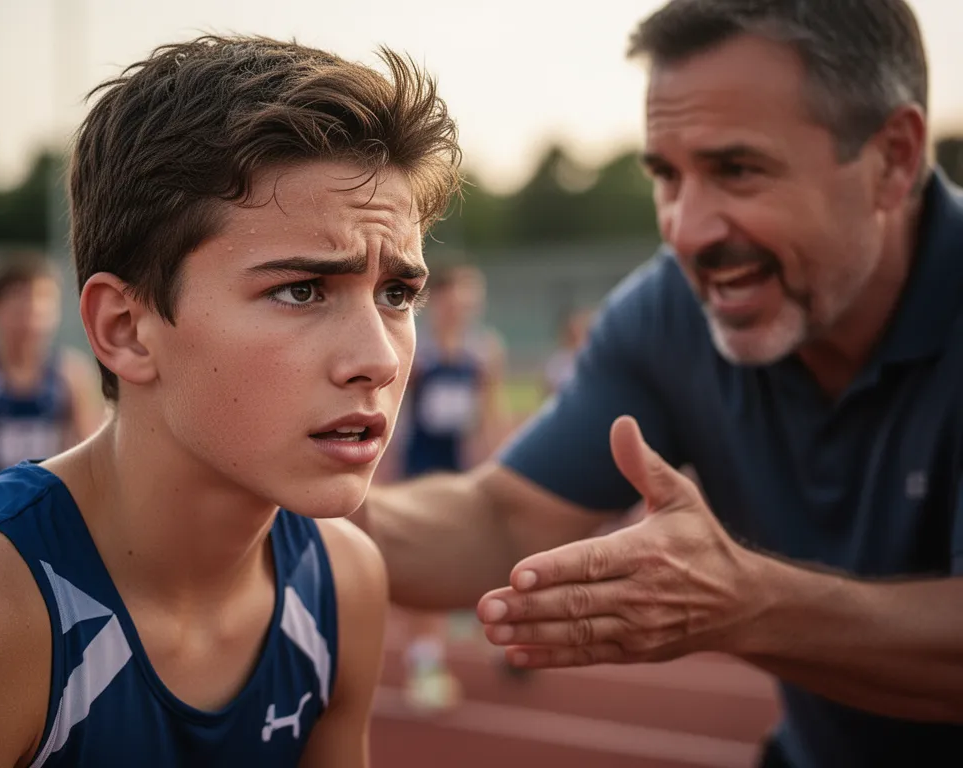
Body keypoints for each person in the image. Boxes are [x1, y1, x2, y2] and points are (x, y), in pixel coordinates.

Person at [355, 1, 963, 766]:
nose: (688, 228)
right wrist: (274, 515)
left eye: (737, 169)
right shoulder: (673, 310)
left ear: (895, 158)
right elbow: (508, 520)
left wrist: (750, 604)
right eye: (667, 177)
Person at [0, 35, 461, 768]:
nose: (377, 358)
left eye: (397, 293)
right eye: (300, 290)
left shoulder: (344, 583)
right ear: (126, 329)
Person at [395, 263, 508, 709]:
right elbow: (397, 414)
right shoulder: (416, 350)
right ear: (437, 300)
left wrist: (495, 463)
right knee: (424, 572)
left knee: (479, 559)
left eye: (471, 296)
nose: (464, 305)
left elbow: (490, 412)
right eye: (457, 296)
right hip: (420, 473)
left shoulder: (484, 350)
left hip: (461, 473)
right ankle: (424, 664)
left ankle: (474, 620)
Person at [0, 252, 105, 503]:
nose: (31, 317)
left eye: (42, 305)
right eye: (20, 305)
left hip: (43, 506)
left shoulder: (72, 376)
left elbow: (91, 452)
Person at [542, 307, 594, 395]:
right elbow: (548, 391)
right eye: (571, 329)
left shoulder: (590, 356)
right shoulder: (556, 360)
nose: (574, 332)